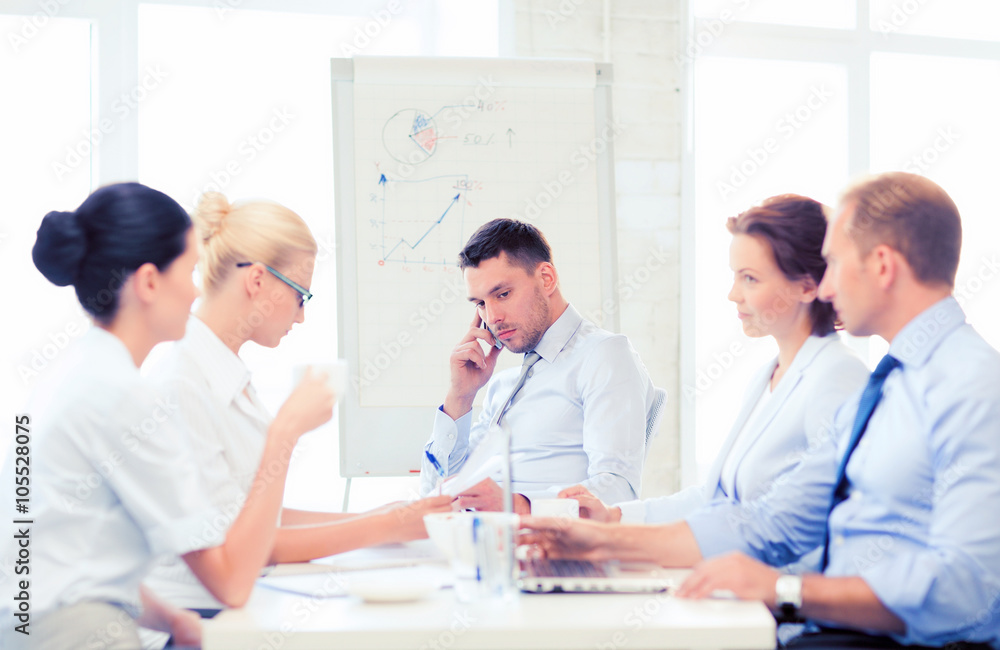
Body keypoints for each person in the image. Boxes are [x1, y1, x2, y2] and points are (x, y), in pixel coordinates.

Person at [523, 172, 1000, 649]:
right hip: (835, 632)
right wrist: (598, 539)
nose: (826, 287)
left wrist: (785, 591)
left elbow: (966, 590)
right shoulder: (892, 383)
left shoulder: (971, 385)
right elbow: (775, 521)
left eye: (833, 264)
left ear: (881, 265)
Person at [0, 183, 333, 649]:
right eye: (191, 269)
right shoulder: (122, 395)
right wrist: (286, 431)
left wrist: (170, 619)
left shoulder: (77, 373)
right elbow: (232, 582)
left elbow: (75, 553)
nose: (197, 289)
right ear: (150, 282)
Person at [142, 193, 453, 627]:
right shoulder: (182, 384)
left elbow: (249, 514)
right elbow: (237, 549)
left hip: (228, 610)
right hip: (195, 619)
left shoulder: (221, 371)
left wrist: (383, 517)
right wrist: (386, 525)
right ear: (257, 280)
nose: (302, 316)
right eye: (301, 294)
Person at [562, 195, 868, 547]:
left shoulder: (838, 376)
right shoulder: (767, 377)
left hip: (784, 591)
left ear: (807, 285)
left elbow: (820, 525)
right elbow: (718, 498)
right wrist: (616, 517)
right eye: (735, 277)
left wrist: (622, 543)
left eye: (750, 279)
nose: (732, 294)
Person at [419, 218, 655, 513]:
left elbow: (618, 490)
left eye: (502, 294)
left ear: (546, 279)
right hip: (475, 543)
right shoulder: (502, 385)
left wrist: (519, 506)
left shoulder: (603, 355)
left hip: (541, 548)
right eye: (480, 303)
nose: (492, 317)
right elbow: (432, 497)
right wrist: (460, 397)